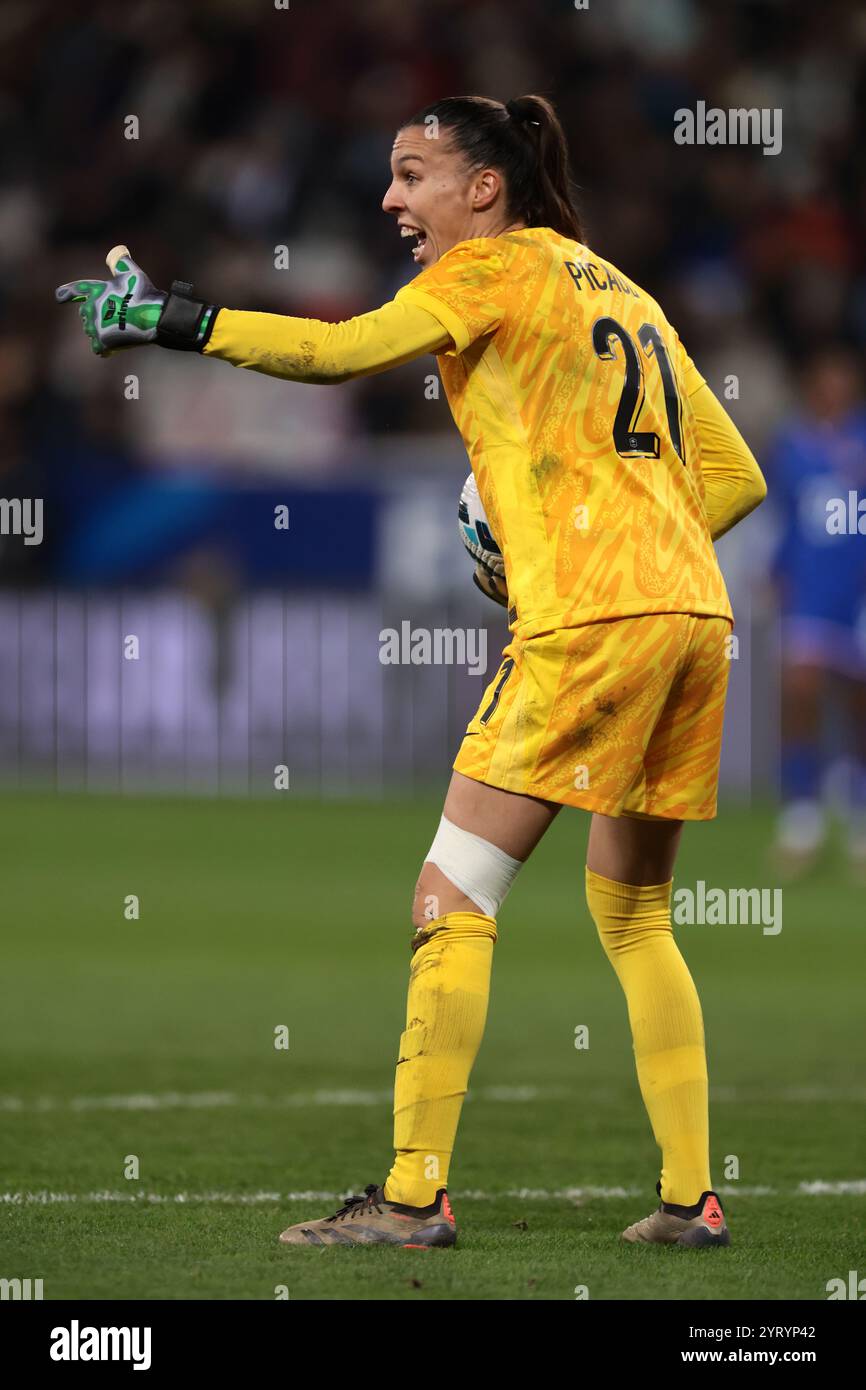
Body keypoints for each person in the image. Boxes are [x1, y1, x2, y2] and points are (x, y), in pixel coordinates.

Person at [56, 93, 767, 1249]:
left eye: (412, 173)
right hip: (691, 612)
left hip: (592, 620)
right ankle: (691, 1197)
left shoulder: (489, 271)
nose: (392, 198)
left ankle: (409, 1196)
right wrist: (601, 526)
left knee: (451, 897)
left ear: (482, 189)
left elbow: (338, 352)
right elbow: (732, 476)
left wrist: (176, 319)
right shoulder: (615, 287)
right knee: (634, 910)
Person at [766, 346, 866, 877]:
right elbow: (779, 517)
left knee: (857, 706)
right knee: (800, 691)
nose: (833, 387)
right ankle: (800, 815)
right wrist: (776, 571)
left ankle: (856, 810)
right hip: (809, 590)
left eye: (842, 377)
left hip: (858, 592)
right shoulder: (792, 447)